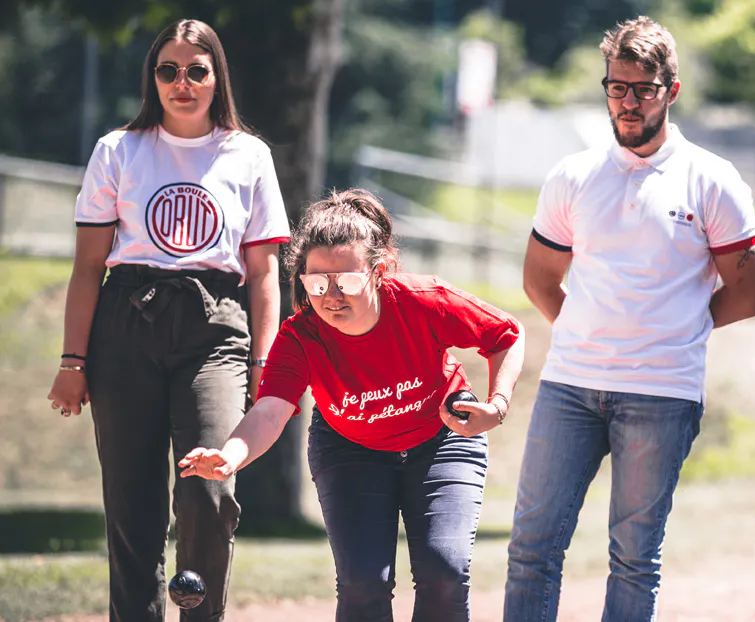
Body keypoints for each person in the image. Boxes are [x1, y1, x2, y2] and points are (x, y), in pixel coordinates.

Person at [503, 16, 755, 621]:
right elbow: (540, 280)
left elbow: (750, 292)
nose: (627, 102)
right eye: (616, 88)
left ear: (671, 91)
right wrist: (585, 328)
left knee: (633, 557)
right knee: (532, 549)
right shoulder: (572, 175)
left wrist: (677, 327)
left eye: (642, 89)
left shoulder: (712, 179)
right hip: (570, 386)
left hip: (661, 392)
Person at [179, 188, 525, 621]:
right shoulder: (300, 336)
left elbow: (506, 336)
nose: (331, 295)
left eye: (347, 280)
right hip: (350, 448)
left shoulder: (424, 302)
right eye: (317, 281)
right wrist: (230, 457)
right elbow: (270, 410)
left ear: (379, 271)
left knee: (444, 571)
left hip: (442, 440)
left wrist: (497, 405)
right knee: (364, 583)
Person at [45, 18, 289, 622]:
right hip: (126, 322)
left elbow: (263, 275)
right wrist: (72, 361)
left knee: (211, 485)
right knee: (133, 505)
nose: (183, 83)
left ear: (216, 77)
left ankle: (200, 613)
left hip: (218, 329)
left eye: (197, 71)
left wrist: (266, 361)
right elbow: (87, 269)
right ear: (153, 78)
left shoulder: (248, 154)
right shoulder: (117, 151)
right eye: (168, 70)